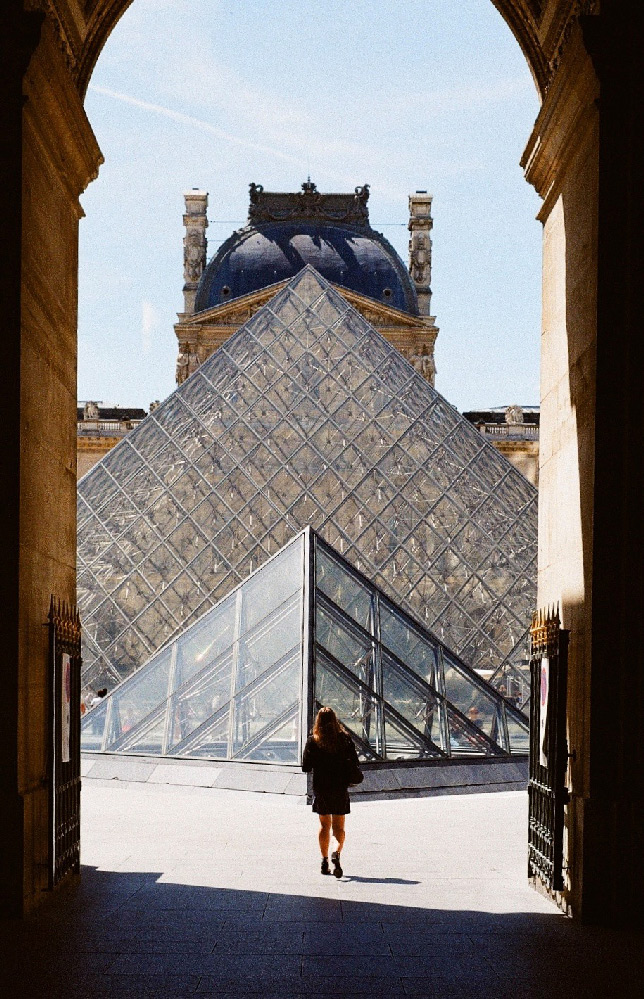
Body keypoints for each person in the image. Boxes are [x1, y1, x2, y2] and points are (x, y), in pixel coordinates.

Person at [302, 706, 360, 878]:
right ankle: (336, 852)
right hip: (339, 786)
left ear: (318, 721)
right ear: (335, 720)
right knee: (339, 827)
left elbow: (306, 767)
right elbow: (355, 762)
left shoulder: (313, 740)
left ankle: (324, 860)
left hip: (321, 787)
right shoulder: (345, 739)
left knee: (324, 825)